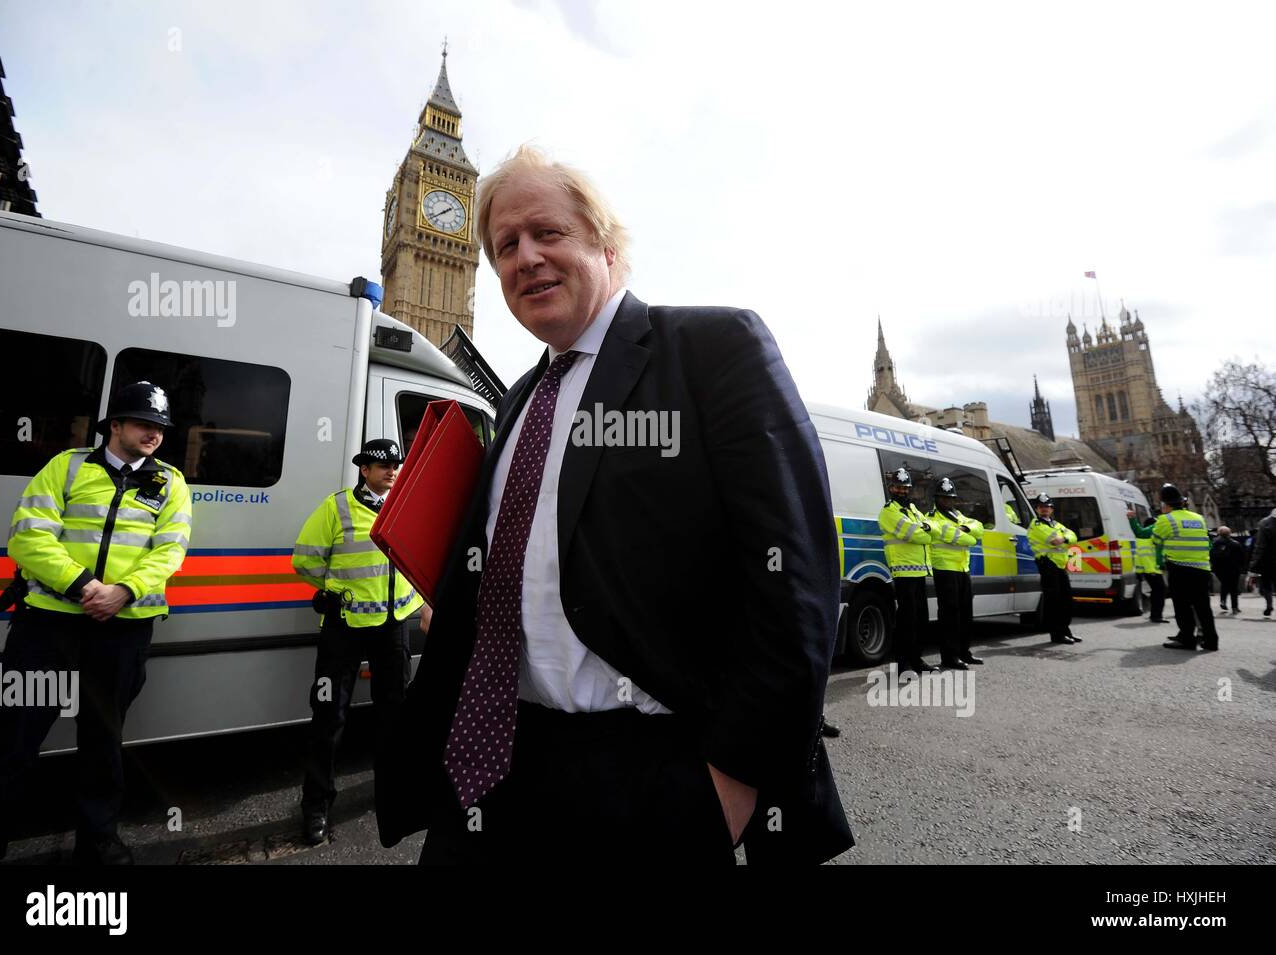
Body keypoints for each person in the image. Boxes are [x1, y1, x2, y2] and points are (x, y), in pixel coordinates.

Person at [374, 145, 851, 865]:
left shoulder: (712, 349)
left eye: (548, 233)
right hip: (496, 762)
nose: (526, 256)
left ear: (603, 241)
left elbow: (797, 581)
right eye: (505, 246)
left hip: (649, 771)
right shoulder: (515, 402)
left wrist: (730, 782)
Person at [0, 382, 192, 865]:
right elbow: (28, 535)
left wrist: (123, 592)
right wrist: (84, 587)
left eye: (159, 426)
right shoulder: (68, 466)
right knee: (15, 737)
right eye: (142, 423)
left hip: (123, 628)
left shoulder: (172, 483)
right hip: (49, 624)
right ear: (114, 426)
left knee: (103, 738)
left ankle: (97, 840)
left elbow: (170, 551)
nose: (153, 433)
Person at [291, 438, 423, 846]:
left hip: (394, 625)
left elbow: (419, 556)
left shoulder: (407, 504)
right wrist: (334, 591)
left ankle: (391, 795)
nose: (390, 471)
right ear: (363, 470)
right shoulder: (337, 507)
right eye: (381, 465)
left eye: (395, 465)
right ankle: (316, 806)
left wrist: (421, 602)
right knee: (329, 717)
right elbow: (305, 559)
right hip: (344, 626)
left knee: (393, 716)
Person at [877, 467, 938, 674]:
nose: (901, 491)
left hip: (920, 571)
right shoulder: (889, 511)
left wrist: (928, 530)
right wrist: (928, 532)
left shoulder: (913, 509)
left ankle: (917, 660)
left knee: (921, 620)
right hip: (903, 572)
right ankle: (903, 665)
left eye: (905, 488)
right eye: (898, 487)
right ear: (891, 488)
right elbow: (916, 534)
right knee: (906, 621)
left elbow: (932, 527)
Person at [927, 477, 984, 669]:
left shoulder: (958, 516)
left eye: (950, 498)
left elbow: (979, 528)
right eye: (943, 498)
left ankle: (964, 652)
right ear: (936, 498)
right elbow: (969, 540)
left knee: (965, 613)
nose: (947, 501)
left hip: (962, 569)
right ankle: (949, 657)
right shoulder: (932, 518)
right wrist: (969, 537)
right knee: (950, 615)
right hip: (944, 568)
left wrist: (966, 528)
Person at [1153, 483, 1218, 652]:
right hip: (1202, 568)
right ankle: (1211, 641)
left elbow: (1157, 542)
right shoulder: (1199, 518)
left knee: (1182, 606)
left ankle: (1187, 638)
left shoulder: (1165, 519)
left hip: (1180, 568)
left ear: (1165, 504)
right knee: (1203, 606)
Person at [1029, 493, 1080, 644]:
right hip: (1047, 565)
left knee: (1066, 600)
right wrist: (1066, 539)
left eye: (1047, 507)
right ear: (1037, 509)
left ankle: (1065, 631)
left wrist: (1064, 538)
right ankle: (1057, 634)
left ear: (1051, 509)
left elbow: (1073, 537)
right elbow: (1054, 541)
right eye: (1041, 507)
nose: (1044, 509)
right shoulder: (1036, 525)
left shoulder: (1056, 525)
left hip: (1059, 565)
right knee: (1054, 602)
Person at [1127, 508, 1168, 623]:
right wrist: (1132, 519)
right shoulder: (1152, 530)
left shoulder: (1143, 540)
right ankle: (1156, 615)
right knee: (1159, 591)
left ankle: (1155, 615)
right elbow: (1139, 531)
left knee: (1157, 591)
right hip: (1152, 569)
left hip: (1147, 569)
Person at [1210, 526, 1247, 614]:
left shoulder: (1215, 543)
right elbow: (1242, 557)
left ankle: (1223, 601)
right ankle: (1235, 607)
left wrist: (1214, 566)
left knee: (1225, 584)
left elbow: (1211, 556)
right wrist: (1241, 567)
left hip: (1220, 569)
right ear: (1229, 534)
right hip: (1234, 569)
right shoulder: (1236, 544)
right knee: (1233, 587)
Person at [1249, 508, 1276, 616]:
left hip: (1267, 562)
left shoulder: (1265, 523)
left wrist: (1253, 565)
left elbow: (1260, 547)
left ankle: (1269, 605)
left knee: (1267, 585)